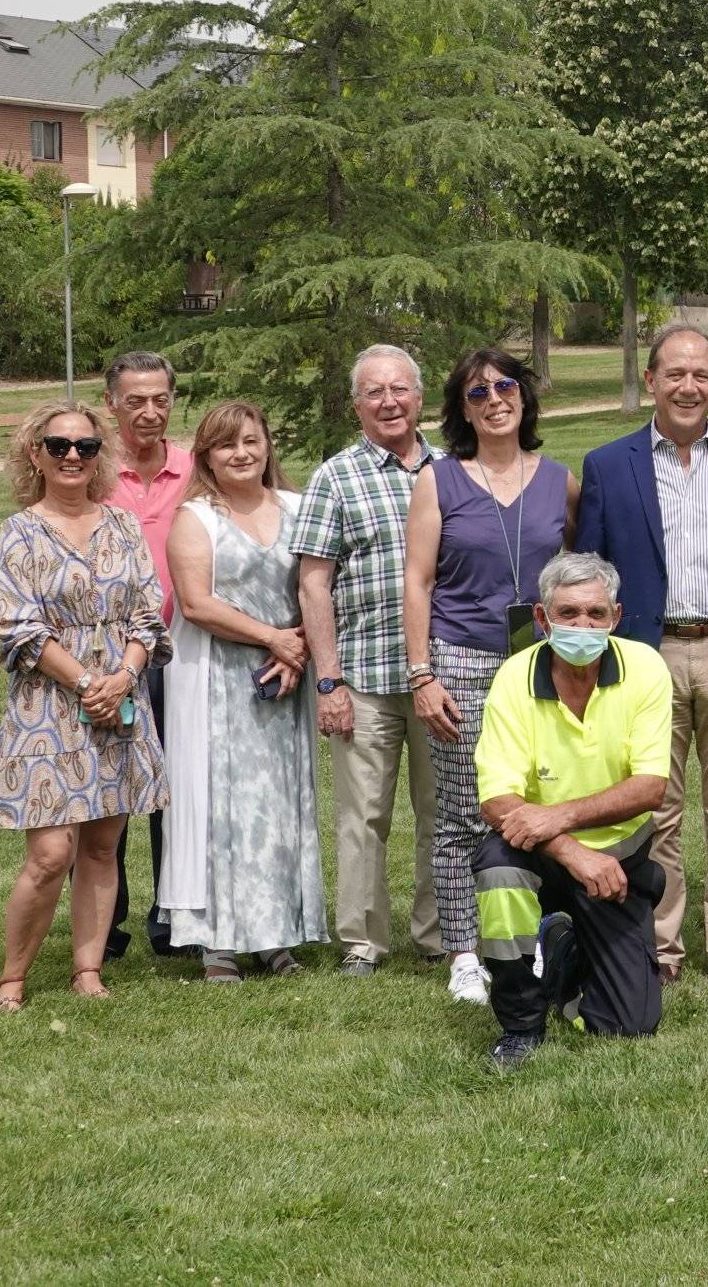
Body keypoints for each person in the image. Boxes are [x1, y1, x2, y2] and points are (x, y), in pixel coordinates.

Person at [580, 323, 708, 988]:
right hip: (645, 655)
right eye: (675, 374)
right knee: (652, 807)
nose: (688, 386)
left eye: (701, 375)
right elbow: (591, 573)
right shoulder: (610, 465)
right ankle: (660, 948)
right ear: (651, 381)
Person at [402, 348, 574, 1007]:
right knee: (462, 812)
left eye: (506, 386)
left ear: (525, 398)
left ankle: (531, 935)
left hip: (541, 662)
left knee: (539, 798)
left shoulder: (560, 479)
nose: (495, 398)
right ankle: (466, 953)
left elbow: (576, 573)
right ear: (462, 408)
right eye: (478, 392)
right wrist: (422, 674)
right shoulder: (438, 480)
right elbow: (417, 581)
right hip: (462, 659)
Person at [0, 404, 171, 1008]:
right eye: (59, 445)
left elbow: (149, 612)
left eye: (86, 447)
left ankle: (88, 970)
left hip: (119, 703)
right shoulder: (18, 532)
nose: (72, 456)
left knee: (100, 845)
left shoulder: (122, 526)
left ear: (100, 458)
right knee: (51, 852)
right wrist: (90, 681)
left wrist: (122, 676)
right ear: (34, 453)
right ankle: (13, 976)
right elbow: (20, 627)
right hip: (49, 709)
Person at [471, 553, 676, 1070]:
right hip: (535, 852)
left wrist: (555, 817)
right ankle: (521, 1022)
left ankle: (562, 949)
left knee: (629, 1028)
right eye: (567, 613)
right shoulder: (515, 677)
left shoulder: (646, 667)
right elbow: (497, 797)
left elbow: (651, 787)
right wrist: (571, 850)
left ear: (615, 616)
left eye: (595, 613)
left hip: (617, 862)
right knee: (498, 873)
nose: (582, 625)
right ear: (542, 619)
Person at [290, 343, 444, 977]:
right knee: (364, 817)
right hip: (365, 676)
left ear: (420, 396)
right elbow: (313, 584)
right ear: (357, 405)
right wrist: (328, 680)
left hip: (441, 675)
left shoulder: (453, 468)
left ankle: (440, 933)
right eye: (375, 392)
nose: (389, 402)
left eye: (400, 389)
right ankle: (363, 941)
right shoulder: (336, 476)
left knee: (446, 811)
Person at [159, 400, 326, 979]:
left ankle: (275, 934)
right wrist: (273, 639)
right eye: (227, 444)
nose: (242, 453)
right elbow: (196, 604)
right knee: (217, 806)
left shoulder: (301, 509)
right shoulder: (196, 518)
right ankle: (217, 942)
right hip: (214, 679)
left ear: (267, 446)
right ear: (206, 454)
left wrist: (296, 647)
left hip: (285, 678)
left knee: (277, 805)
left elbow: (318, 588)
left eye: (252, 441)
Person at [98, 350, 192, 962]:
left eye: (160, 399)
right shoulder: (90, 470)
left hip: (180, 652)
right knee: (107, 792)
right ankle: (104, 925)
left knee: (173, 791)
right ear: (112, 404)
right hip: (107, 656)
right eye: (136, 400)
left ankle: (172, 921)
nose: (150, 412)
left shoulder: (194, 469)